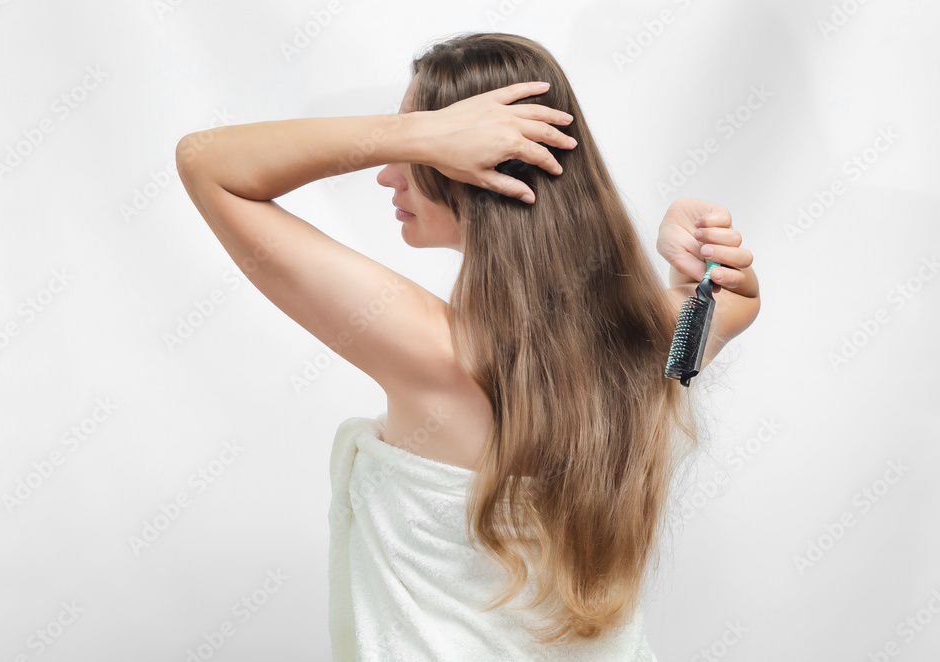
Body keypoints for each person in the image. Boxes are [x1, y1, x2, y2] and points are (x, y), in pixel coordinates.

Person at [176, 31, 759, 662]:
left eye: (419, 147)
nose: (387, 173)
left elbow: (206, 163)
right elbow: (730, 301)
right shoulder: (650, 342)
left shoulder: (433, 353)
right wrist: (695, 259)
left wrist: (416, 135)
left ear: (478, 162)